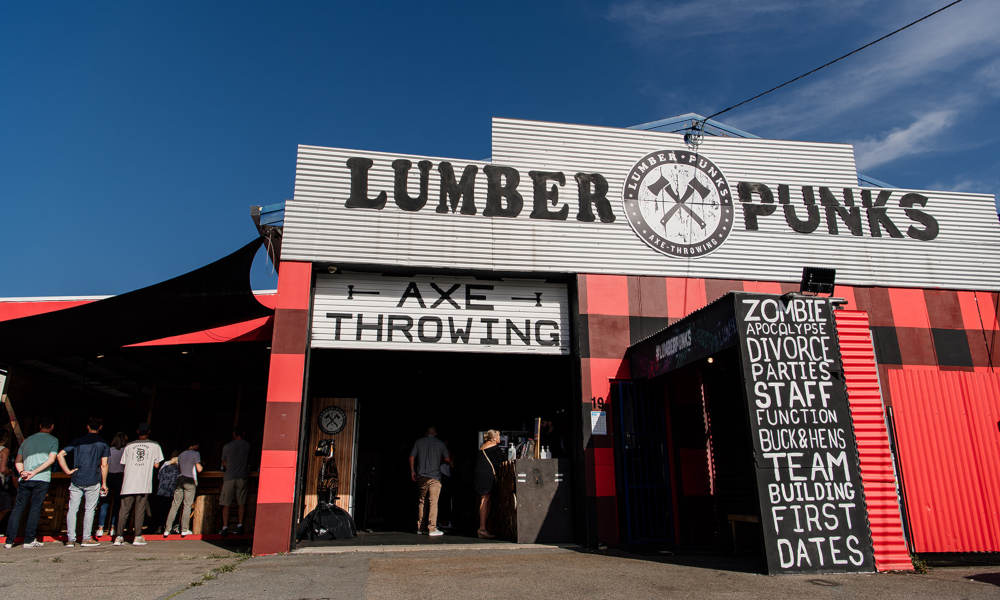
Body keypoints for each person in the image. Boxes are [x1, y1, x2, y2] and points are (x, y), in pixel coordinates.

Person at [2, 418, 58, 548]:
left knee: (18, 508)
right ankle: (29, 539)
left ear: (40, 425)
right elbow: (51, 460)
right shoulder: (53, 440)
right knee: (35, 508)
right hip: (41, 478)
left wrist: (23, 472)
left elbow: (18, 460)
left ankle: (9, 540)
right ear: (52, 427)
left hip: (25, 478)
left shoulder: (27, 440)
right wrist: (35, 472)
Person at [57, 417, 109, 547]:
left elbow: (60, 455)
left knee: (72, 509)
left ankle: (70, 539)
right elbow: (104, 465)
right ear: (101, 427)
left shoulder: (78, 441)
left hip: (77, 478)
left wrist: (68, 471)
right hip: (93, 479)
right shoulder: (103, 444)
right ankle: (86, 538)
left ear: (87, 427)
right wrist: (104, 483)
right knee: (89, 510)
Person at [114, 423, 163, 546]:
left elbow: (124, 462)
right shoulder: (154, 445)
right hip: (143, 481)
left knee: (124, 510)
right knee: (140, 510)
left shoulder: (129, 445)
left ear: (137, 432)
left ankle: (119, 536)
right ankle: (137, 536)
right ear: (149, 432)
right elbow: (157, 464)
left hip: (128, 481)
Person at [409, 426, 450, 537]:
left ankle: (420, 528)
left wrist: (412, 471)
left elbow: (412, 456)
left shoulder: (418, 442)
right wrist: (438, 459)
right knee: (433, 502)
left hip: (421, 476)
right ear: (435, 433)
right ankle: (431, 528)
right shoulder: (441, 444)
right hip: (434, 477)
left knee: (422, 501)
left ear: (426, 433)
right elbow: (447, 459)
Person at [164, 441, 201, 537]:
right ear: (194, 445)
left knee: (175, 505)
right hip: (189, 480)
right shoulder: (195, 454)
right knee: (187, 505)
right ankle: (184, 529)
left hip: (180, 480)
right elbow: (199, 468)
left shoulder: (181, 455)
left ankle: (167, 529)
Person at [474, 429, 505, 539]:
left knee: (484, 500)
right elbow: (503, 461)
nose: (500, 438)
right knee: (485, 500)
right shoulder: (495, 449)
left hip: (480, 476)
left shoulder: (482, 447)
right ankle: (482, 528)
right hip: (487, 477)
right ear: (494, 438)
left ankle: (484, 527)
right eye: (499, 436)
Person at [95, 431, 127, 538]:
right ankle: (113, 527)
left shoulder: (108, 450)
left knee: (104, 502)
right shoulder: (125, 451)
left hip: (108, 476)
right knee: (117, 504)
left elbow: (104, 464)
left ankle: (100, 528)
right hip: (120, 477)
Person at [219, 429, 251, 536]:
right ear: (243, 434)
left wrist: (229, 468)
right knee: (241, 502)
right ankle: (240, 524)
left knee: (226, 503)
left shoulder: (227, 446)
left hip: (229, 477)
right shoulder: (247, 446)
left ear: (234, 434)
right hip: (242, 476)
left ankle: (225, 526)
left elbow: (224, 462)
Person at [153, 451, 180, 534]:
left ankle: (159, 526)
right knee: (172, 509)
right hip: (172, 491)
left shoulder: (165, 464)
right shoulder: (179, 466)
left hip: (162, 490)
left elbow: (159, 476)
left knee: (161, 509)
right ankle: (171, 526)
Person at [0, 428, 14, 527]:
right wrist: (10, 471)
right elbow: (3, 469)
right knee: (6, 506)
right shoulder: (4, 450)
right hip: (0, 482)